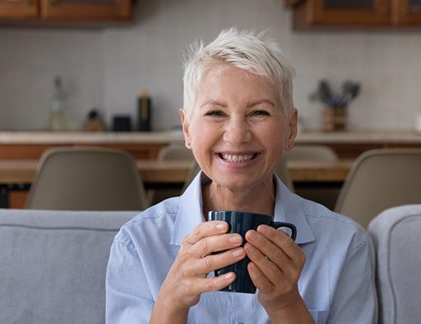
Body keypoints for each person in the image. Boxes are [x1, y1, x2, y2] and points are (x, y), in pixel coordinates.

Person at [106, 28, 377, 324]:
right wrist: (171, 301)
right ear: (186, 129)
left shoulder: (346, 245)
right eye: (215, 113)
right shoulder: (137, 244)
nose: (236, 136)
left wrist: (287, 305)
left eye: (259, 113)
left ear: (290, 128)